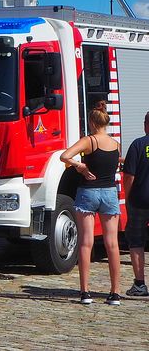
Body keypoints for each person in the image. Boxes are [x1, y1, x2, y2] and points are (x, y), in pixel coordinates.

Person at [59, 100, 122, 305]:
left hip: (88, 192)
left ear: (93, 123)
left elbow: (64, 156)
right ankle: (115, 293)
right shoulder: (115, 144)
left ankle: (85, 292)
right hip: (110, 193)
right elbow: (118, 160)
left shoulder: (89, 141)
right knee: (112, 244)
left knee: (86, 243)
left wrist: (80, 166)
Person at [122, 111, 149, 297]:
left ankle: (140, 284)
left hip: (140, 200)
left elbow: (129, 176)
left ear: (146, 125)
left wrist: (128, 197)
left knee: (137, 240)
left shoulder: (138, 145)